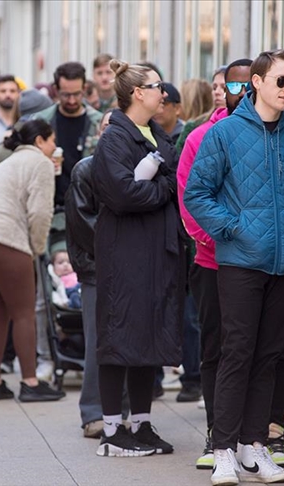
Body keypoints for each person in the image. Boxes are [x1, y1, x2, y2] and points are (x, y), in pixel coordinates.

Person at [185, 50, 284, 484]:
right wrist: (232, 229)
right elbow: (197, 194)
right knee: (236, 352)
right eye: (281, 80)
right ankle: (223, 449)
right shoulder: (225, 133)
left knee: (270, 355)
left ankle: (255, 445)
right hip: (240, 262)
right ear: (256, 82)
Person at [92, 59, 184, 458]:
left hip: (156, 250)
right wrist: (161, 190)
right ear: (137, 93)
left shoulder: (157, 134)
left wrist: (159, 185)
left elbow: (172, 179)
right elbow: (122, 194)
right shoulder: (115, 137)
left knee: (147, 335)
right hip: (125, 250)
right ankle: (113, 430)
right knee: (119, 333)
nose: (163, 92)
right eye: (156, 85)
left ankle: (142, 423)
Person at [177, 58, 253, 471]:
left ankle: (255, 435)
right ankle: (216, 431)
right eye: (223, 85)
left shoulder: (275, 133)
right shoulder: (201, 136)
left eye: (236, 85)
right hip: (212, 262)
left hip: (259, 264)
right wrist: (220, 240)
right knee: (216, 349)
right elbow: (190, 201)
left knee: (257, 349)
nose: (227, 91)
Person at [0, 119, 65, 403]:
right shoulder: (41, 164)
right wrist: (36, 248)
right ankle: (31, 382)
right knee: (23, 313)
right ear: (39, 142)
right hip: (7, 239)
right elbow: (40, 213)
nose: (55, 147)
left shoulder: (4, 164)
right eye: (52, 141)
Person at [64, 110, 116, 439]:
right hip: (96, 268)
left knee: (126, 342)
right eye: (107, 126)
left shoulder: (136, 169)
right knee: (97, 342)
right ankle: (94, 412)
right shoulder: (85, 170)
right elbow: (84, 226)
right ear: (98, 132)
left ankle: (122, 409)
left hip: (128, 270)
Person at [28, 62, 104, 206]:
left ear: (84, 89)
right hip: (50, 205)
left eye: (76, 94)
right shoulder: (41, 122)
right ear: (56, 90)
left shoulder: (99, 123)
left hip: (89, 206)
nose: (72, 100)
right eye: (66, 95)